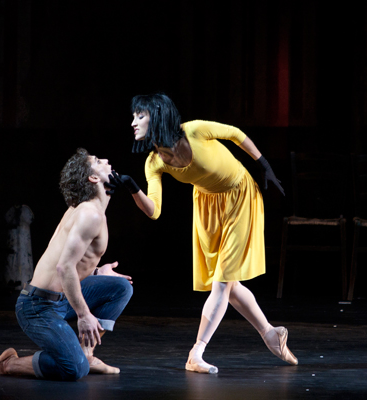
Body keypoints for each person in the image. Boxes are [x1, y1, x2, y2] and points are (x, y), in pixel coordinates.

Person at [110, 93, 297, 374]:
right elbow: (154, 211)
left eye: (140, 116)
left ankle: (195, 352)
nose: (133, 122)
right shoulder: (154, 162)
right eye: (133, 116)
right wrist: (132, 187)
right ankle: (271, 334)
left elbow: (234, 134)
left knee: (222, 283)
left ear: (158, 116)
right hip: (208, 205)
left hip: (239, 195)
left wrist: (264, 165)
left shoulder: (194, 130)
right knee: (228, 285)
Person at [0, 148, 133, 381]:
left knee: (120, 288)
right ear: (92, 179)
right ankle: (9, 364)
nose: (107, 161)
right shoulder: (89, 214)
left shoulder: (91, 209)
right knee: (73, 370)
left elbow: (74, 261)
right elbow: (64, 267)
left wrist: (100, 271)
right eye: (99, 161)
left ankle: (86, 355)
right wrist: (83, 315)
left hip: (62, 298)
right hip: (38, 306)